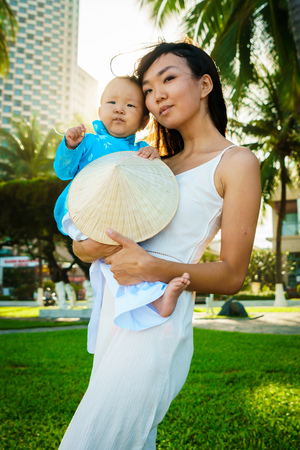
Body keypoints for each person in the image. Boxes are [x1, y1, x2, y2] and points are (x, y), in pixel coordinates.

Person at [59, 41, 261, 449]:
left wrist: (154, 268)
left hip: (158, 317)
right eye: (148, 90)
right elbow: (90, 238)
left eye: (168, 79)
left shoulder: (236, 163)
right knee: (129, 439)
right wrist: (86, 248)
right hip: (116, 310)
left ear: (205, 84)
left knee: (94, 439)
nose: (156, 96)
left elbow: (232, 275)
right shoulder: (151, 164)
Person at [53, 75, 190, 335]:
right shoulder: (89, 142)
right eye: (112, 102)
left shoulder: (140, 149)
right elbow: (63, 170)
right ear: (99, 110)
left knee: (124, 263)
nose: (119, 108)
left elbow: (152, 180)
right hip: (84, 212)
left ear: (143, 120)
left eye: (130, 106)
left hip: (122, 216)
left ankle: (153, 301)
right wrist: (70, 145)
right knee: (119, 257)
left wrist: (153, 154)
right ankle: (153, 300)